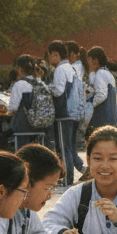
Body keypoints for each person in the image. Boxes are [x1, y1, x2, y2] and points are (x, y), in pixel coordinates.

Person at [46, 40, 77, 186]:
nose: (49, 59)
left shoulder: (60, 69)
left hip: (62, 113)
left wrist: (47, 88)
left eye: (49, 55)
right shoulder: (71, 68)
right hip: (72, 113)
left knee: (63, 148)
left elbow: (58, 91)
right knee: (68, 146)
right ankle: (67, 177)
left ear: (55, 54)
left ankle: (67, 179)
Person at [86, 46, 117, 137]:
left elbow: (101, 95)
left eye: (89, 59)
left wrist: (90, 106)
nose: (88, 62)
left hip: (102, 119)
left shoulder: (100, 74)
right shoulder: (106, 73)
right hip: (110, 117)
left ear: (95, 60)